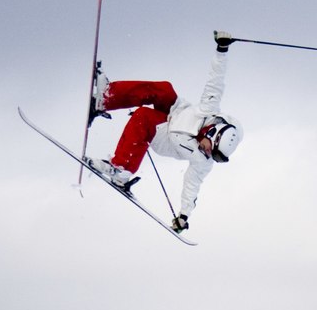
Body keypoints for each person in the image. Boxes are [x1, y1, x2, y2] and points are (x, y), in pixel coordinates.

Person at [88, 32, 243, 232]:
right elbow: (216, 81)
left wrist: (184, 215)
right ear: (213, 133)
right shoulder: (209, 109)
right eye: (209, 150)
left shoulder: (202, 162)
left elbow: (192, 185)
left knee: (143, 117)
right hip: (176, 112)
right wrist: (222, 50)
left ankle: (121, 170)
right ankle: (106, 98)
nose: (207, 155)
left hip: (166, 137)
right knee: (164, 89)